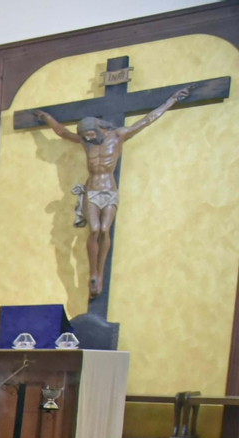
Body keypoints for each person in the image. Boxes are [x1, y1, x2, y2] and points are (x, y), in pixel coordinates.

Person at [34, 86, 189, 297]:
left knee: (105, 230)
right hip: (91, 192)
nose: (88, 138)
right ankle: (93, 274)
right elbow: (62, 132)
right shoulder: (85, 142)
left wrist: (172, 101)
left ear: (98, 128)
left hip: (109, 191)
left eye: (90, 134)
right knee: (94, 230)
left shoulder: (118, 136)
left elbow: (147, 120)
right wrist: (47, 118)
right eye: (85, 136)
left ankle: (100, 272)